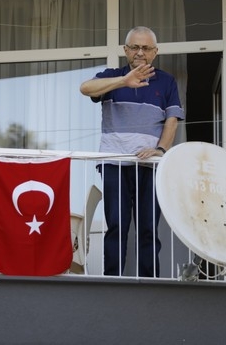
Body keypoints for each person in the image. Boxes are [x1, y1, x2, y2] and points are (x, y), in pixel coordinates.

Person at [80, 26, 185, 277]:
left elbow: (172, 119)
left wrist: (160, 149)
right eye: (135, 47)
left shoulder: (167, 81)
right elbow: (85, 88)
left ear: (155, 52)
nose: (140, 52)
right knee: (116, 224)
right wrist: (124, 81)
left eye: (146, 48)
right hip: (114, 162)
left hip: (150, 165)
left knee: (148, 227)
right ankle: (113, 281)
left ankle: (150, 282)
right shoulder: (112, 75)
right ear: (125, 50)